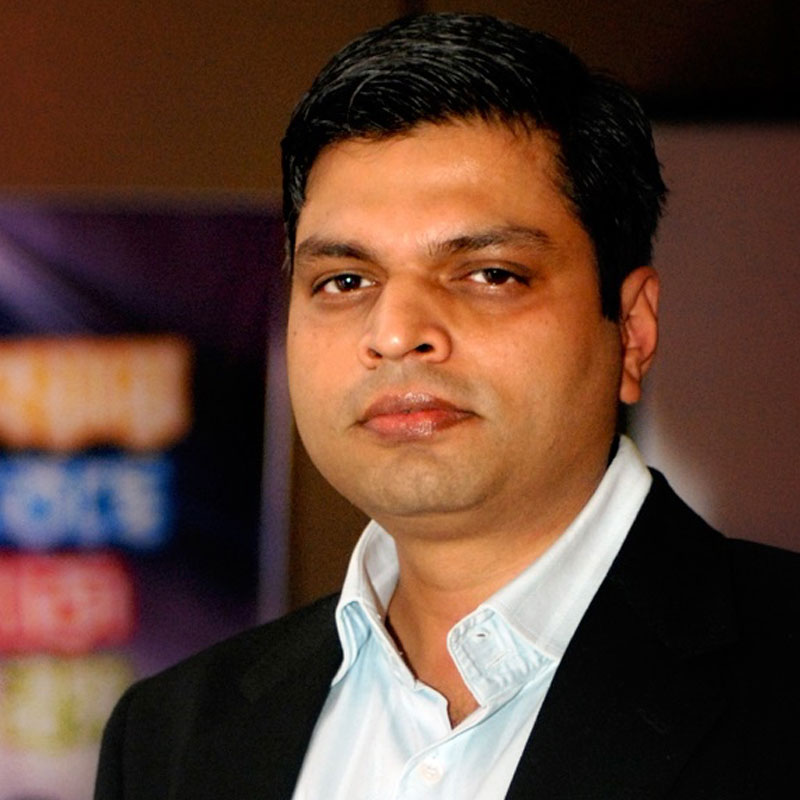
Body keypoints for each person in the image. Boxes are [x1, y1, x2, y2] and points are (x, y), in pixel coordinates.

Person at [95, 13, 798, 799]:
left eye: (490, 274)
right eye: (345, 281)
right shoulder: (171, 737)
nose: (395, 332)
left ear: (631, 330)